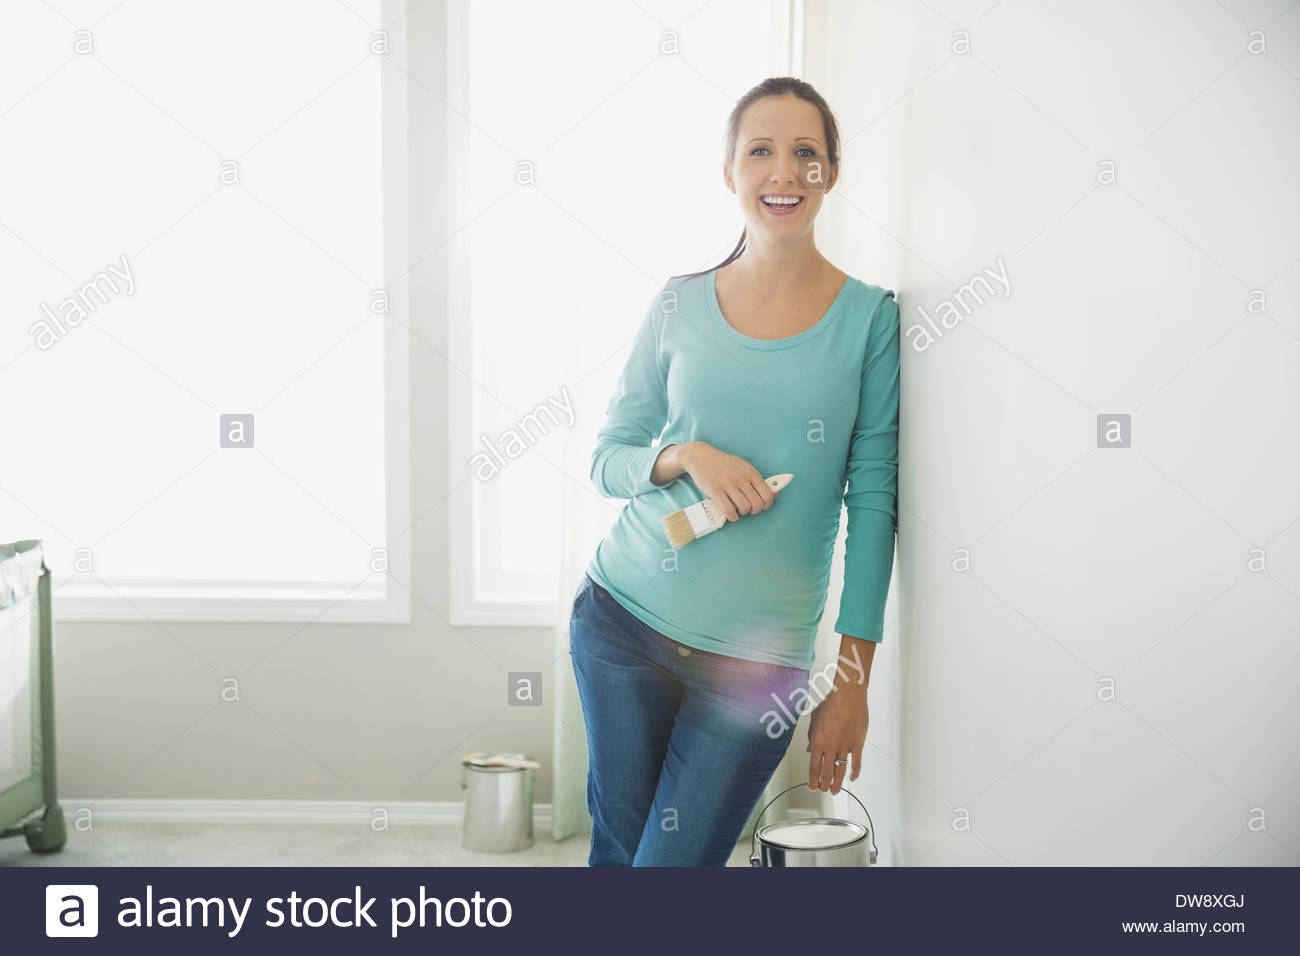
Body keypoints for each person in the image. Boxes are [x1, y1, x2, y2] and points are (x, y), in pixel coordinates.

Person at [568, 76, 900, 867]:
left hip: (757, 678)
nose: (784, 173)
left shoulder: (871, 321)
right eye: (761, 151)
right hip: (621, 624)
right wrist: (684, 456)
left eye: (805, 154)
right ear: (730, 172)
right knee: (618, 854)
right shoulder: (678, 304)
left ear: (831, 172)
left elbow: (876, 502)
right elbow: (607, 460)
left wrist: (851, 680)